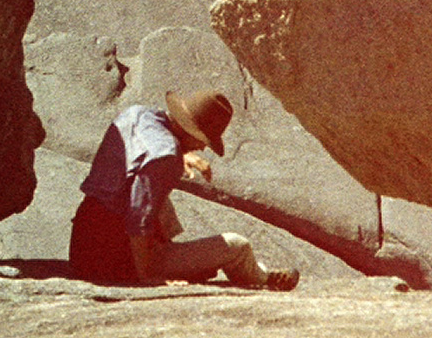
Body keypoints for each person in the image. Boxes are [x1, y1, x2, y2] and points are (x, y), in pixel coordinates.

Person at [70, 88, 299, 290]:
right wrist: (149, 276)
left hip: (85, 243)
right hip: (115, 257)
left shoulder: (138, 114)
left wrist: (181, 154)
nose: (202, 146)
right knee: (237, 246)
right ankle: (263, 277)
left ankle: (179, 260)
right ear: (187, 130)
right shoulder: (165, 156)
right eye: (202, 139)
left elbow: (142, 151)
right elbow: (138, 219)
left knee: (154, 194)